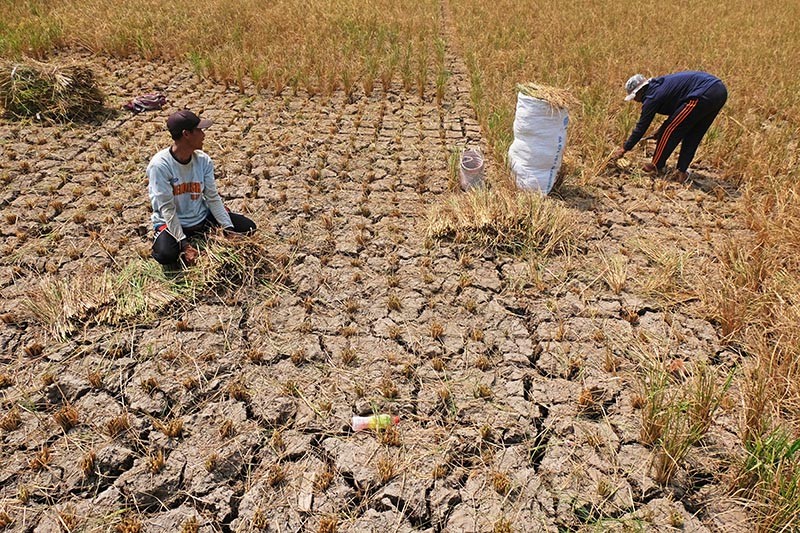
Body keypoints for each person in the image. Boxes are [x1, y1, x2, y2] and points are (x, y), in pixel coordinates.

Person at [147, 109, 256, 265]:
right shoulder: (160, 166)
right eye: (199, 130)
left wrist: (228, 229)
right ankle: (174, 239)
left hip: (201, 218)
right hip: (174, 223)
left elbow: (212, 197)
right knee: (166, 255)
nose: (203, 135)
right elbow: (167, 209)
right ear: (186, 134)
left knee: (249, 228)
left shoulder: (203, 160)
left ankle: (204, 232)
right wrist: (184, 244)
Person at [611, 71, 727, 182]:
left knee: (670, 131)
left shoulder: (651, 97)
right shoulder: (658, 87)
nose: (635, 101)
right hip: (719, 91)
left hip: (702, 93)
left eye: (634, 97)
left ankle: (656, 165)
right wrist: (660, 130)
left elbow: (641, 127)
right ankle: (682, 171)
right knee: (694, 133)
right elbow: (678, 114)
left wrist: (625, 148)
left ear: (639, 92)